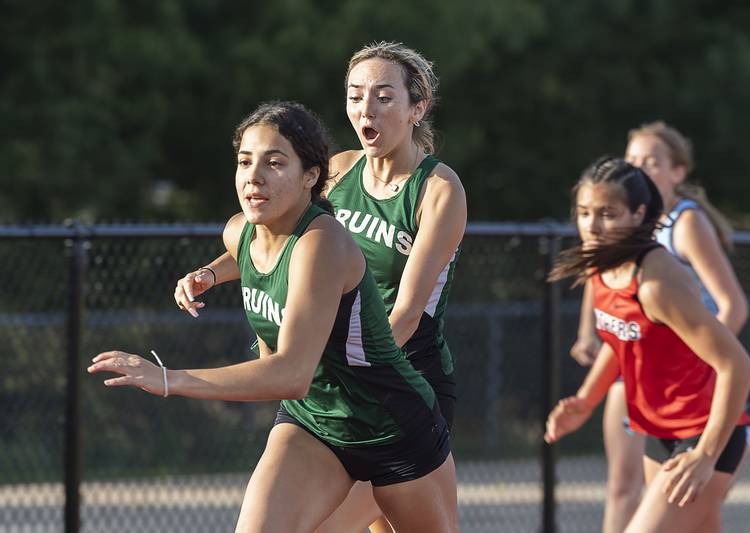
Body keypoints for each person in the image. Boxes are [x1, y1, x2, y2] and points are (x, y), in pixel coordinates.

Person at [88, 101, 459, 533]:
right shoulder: (238, 232)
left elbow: (290, 374)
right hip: (314, 421)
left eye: (275, 162)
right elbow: (252, 264)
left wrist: (169, 379)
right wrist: (208, 273)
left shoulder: (322, 245)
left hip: (393, 425)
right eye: (245, 161)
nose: (254, 176)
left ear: (311, 177)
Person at [174, 42, 467, 533]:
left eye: (383, 96)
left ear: (418, 108)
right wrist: (213, 271)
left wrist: (333, 365)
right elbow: (277, 238)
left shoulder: (438, 190)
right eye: (355, 95)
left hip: (397, 386)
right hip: (327, 387)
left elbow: (409, 311)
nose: (365, 109)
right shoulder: (340, 168)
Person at [569, 121, 750, 533]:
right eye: (633, 159)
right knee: (624, 485)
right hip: (655, 411)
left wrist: (698, 362)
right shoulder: (607, 263)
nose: (593, 225)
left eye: (651, 161)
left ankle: (748, 428)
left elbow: (733, 327)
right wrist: (583, 399)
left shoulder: (668, 251)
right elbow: (618, 336)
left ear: (677, 172)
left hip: (697, 414)